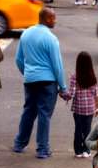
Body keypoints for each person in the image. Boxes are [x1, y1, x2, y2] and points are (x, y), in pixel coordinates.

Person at [13, 8, 67, 159]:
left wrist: (28, 73)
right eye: (54, 18)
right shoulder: (51, 38)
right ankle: (42, 149)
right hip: (47, 81)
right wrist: (63, 87)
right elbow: (57, 66)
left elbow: (18, 60)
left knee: (28, 111)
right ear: (48, 19)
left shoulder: (26, 34)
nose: (55, 21)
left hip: (30, 80)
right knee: (44, 114)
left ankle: (19, 143)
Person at [61, 52, 98, 158]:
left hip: (78, 109)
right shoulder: (93, 77)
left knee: (78, 130)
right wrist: (97, 108)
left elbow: (71, 94)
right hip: (90, 109)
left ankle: (78, 151)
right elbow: (97, 94)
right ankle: (86, 150)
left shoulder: (75, 77)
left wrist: (62, 94)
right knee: (87, 130)